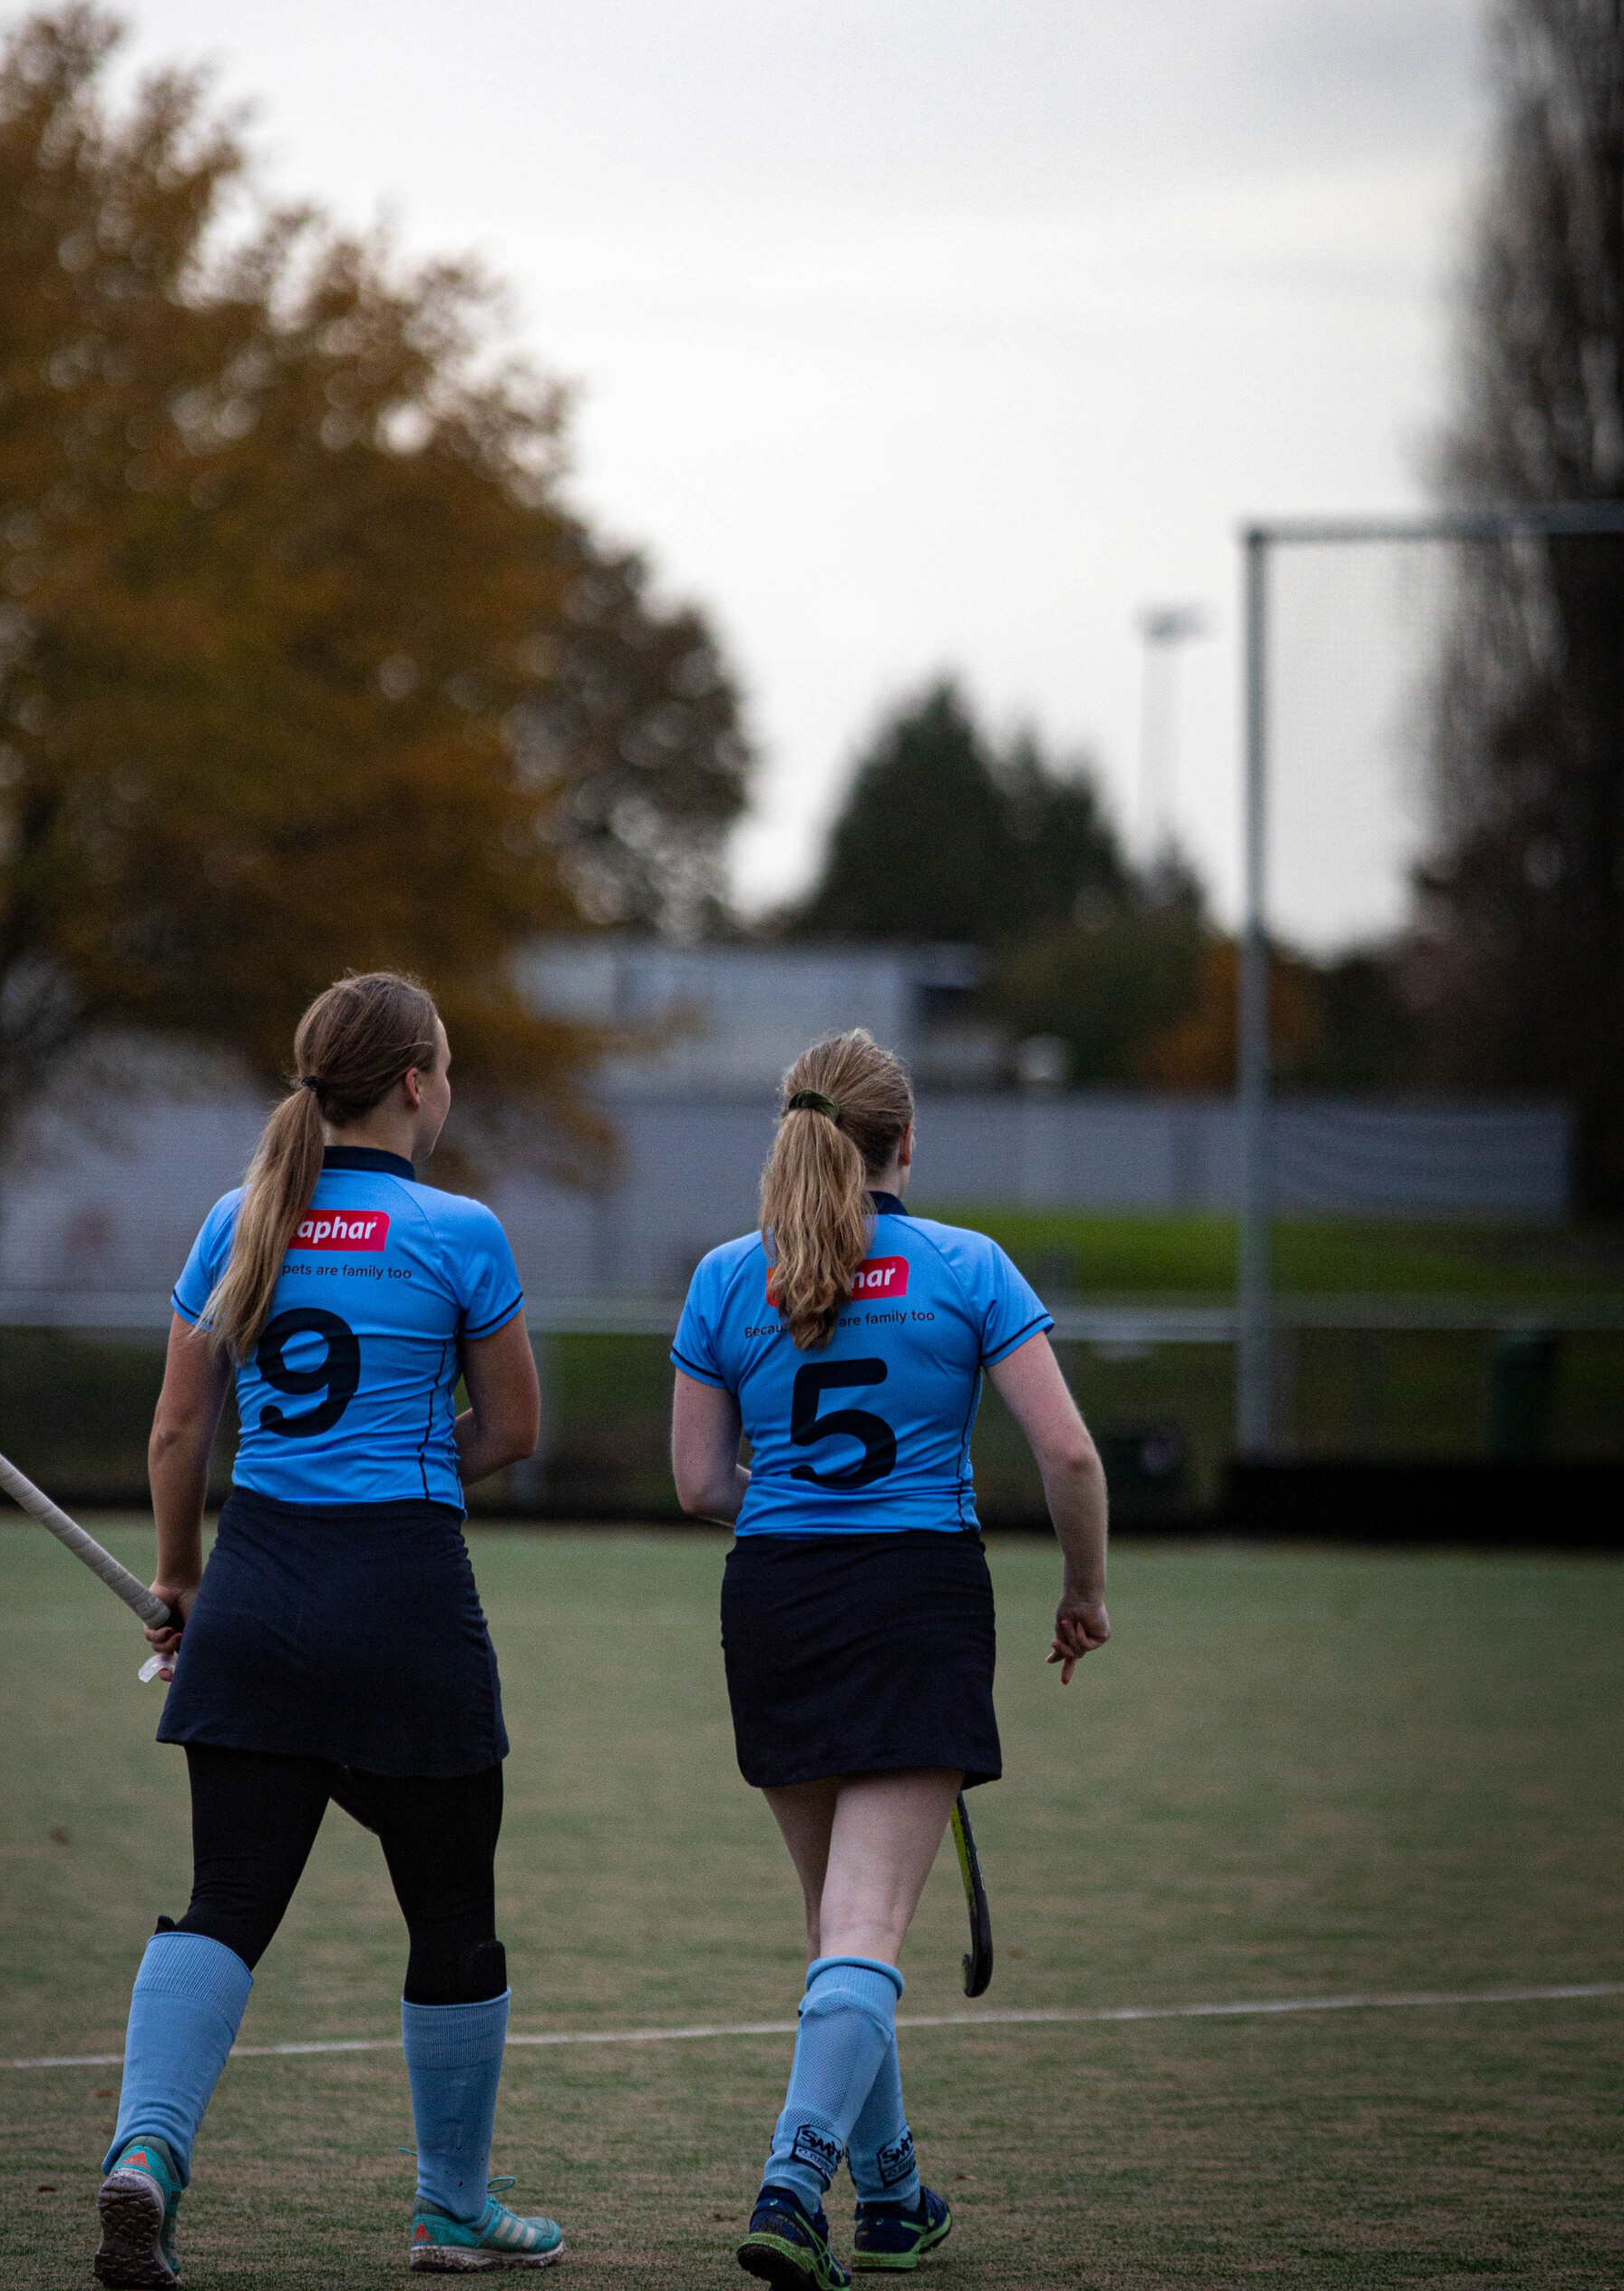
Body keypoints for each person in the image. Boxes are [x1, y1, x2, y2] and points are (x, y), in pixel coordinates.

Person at [92, 970, 566, 2287]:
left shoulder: (238, 1218)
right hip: (407, 1599)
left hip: (258, 1588)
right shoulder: (462, 1230)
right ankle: (452, 2213)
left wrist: (183, 1578)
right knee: (452, 1917)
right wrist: (408, 1464)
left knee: (225, 1904)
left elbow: (180, 1427)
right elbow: (517, 1430)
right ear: (415, 1082)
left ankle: (145, 2157)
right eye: (451, 1066)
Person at [670, 1030, 1110, 2290]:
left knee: (836, 1931)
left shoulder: (723, 1278)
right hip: (916, 1593)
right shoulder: (968, 1267)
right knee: (862, 1927)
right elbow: (1072, 1458)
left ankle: (898, 2196)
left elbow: (702, 1482)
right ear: (904, 1145)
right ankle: (794, 2185)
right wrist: (1083, 1593)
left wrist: (795, 1497)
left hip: (775, 1601)